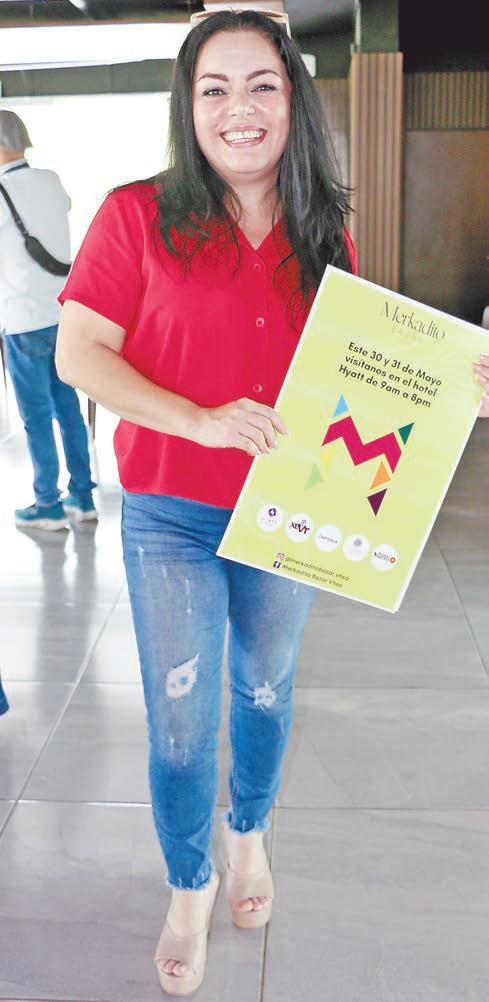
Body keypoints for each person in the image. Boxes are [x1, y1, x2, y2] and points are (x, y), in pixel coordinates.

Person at [55, 7, 489, 998]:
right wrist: (199, 420)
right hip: (170, 510)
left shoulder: (324, 229)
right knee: (179, 718)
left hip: (290, 509)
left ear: (293, 99)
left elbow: (358, 377)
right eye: (214, 88)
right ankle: (189, 884)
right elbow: (80, 353)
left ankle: (247, 833)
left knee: (262, 687)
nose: (237, 108)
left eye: (261, 84)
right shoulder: (135, 215)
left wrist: (451, 389)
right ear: (188, 105)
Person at [0, 110, 97, 529]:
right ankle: (83, 497)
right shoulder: (51, 180)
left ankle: (48, 504)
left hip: (22, 319)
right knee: (67, 408)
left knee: (36, 416)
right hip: (62, 313)